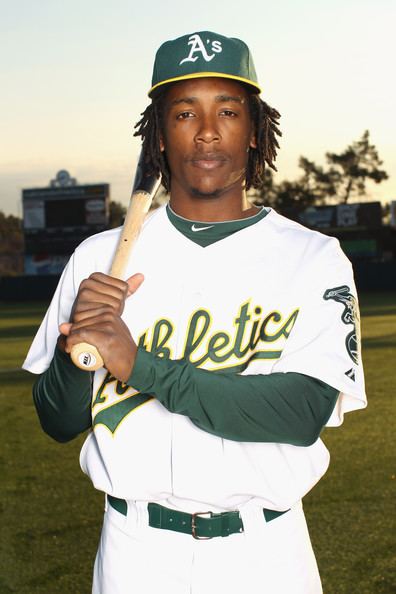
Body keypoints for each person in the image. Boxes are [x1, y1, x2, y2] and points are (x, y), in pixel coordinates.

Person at [23, 31, 367, 594]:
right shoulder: (99, 258)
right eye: (184, 113)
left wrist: (140, 366)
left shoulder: (312, 257)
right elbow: (57, 422)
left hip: (266, 553)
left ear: (255, 130)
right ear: (158, 136)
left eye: (227, 111)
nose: (207, 131)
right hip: (134, 550)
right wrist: (77, 349)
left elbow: (302, 411)